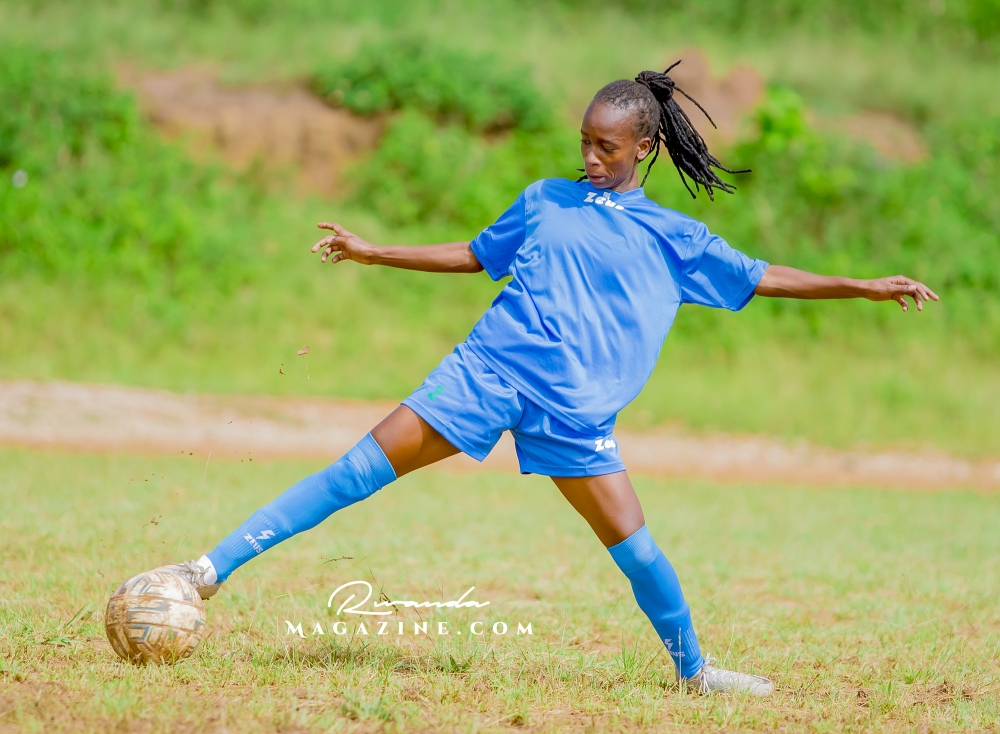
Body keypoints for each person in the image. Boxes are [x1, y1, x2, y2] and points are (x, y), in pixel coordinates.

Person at [151, 64, 937, 696]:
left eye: (608, 147)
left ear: (645, 148)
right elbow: (475, 254)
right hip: (485, 373)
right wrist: (375, 251)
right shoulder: (545, 201)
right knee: (354, 471)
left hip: (574, 414)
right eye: (585, 143)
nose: (591, 158)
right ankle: (204, 572)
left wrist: (863, 286)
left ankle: (696, 673)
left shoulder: (676, 237)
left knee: (637, 551)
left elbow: (763, 276)